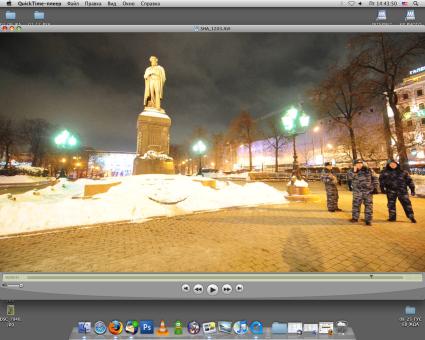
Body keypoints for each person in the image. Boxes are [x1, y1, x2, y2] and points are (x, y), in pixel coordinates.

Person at [379, 159, 416, 223]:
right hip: (390, 191)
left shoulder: (403, 172)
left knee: (407, 204)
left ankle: (411, 216)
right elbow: (381, 181)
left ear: (397, 164)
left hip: (402, 191)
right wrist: (382, 189)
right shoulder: (384, 172)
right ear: (388, 165)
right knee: (391, 205)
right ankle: (392, 217)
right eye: (391, 164)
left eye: (394, 164)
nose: (393, 165)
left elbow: (409, 181)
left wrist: (412, 189)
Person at [350, 159, 379, 226]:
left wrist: (375, 187)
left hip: (368, 191)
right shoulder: (351, 171)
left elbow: (375, 178)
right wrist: (355, 172)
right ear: (355, 165)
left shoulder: (369, 170)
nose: (359, 165)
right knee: (356, 205)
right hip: (357, 191)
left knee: (369, 205)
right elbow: (349, 178)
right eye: (357, 164)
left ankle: (368, 220)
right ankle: (355, 218)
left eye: (361, 163)